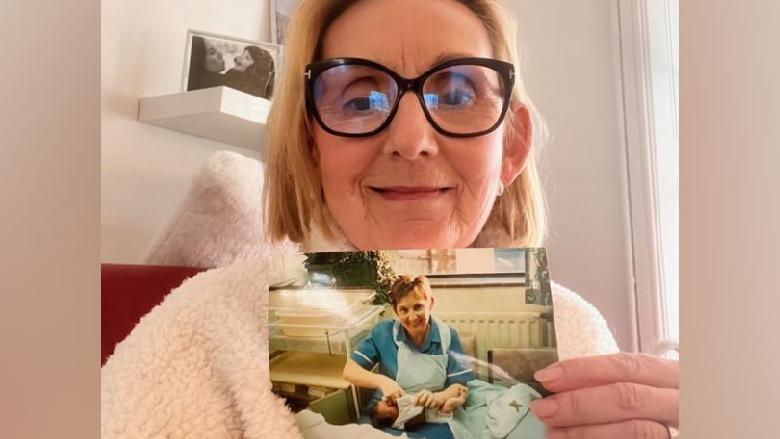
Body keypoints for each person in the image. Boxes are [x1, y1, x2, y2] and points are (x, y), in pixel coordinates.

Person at [101, 1, 679, 438]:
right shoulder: (201, 329)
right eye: (360, 99)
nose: (410, 140)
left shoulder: (575, 330)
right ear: (311, 146)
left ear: (511, 147)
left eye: (455, 94)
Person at [342, 275, 473, 435]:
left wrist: (440, 397)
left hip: (430, 412)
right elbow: (349, 371)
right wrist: (383, 382)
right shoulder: (383, 333)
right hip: (388, 409)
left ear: (430, 303)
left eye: (418, 307)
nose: (412, 317)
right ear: (396, 309)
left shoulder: (448, 336)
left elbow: (460, 385)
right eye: (404, 309)